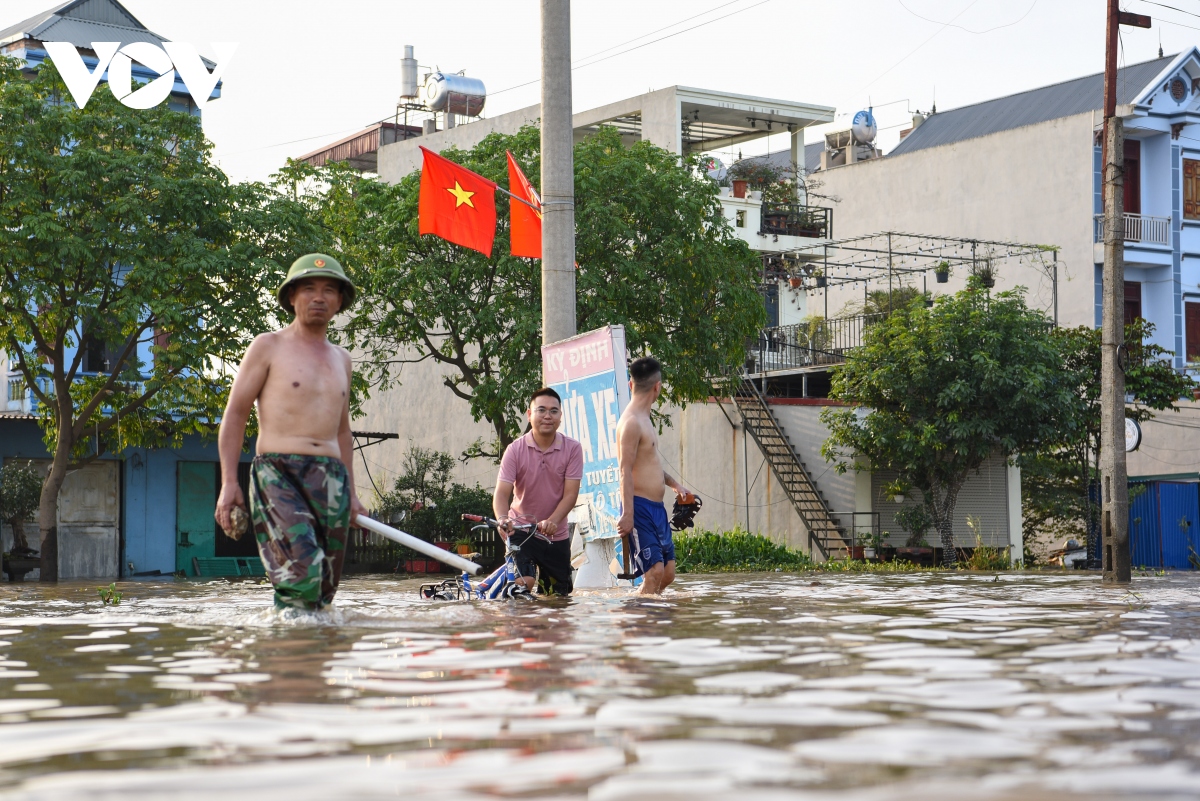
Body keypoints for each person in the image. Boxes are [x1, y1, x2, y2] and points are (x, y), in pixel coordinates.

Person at [214, 253, 368, 610]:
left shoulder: (342, 359)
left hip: (331, 478)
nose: (319, 297)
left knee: (325, 589)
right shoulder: (268, 346)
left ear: (340, 300)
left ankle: (310, 657)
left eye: (329, 290)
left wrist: (353, 493)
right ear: (291, 297)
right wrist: (229, 484)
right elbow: (235, 415)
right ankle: (289, 662)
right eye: (309, 289)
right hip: (278, 472)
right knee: (300, 576)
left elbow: (343, 431)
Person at [493, 387, 583, 596]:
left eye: (553, 411)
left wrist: (553, 520)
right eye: (541, 410)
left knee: (558, 599)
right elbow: (501, 493)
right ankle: (520, 627)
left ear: (560, 416)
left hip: (556, 535)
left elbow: (571, 494)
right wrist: (502, 518)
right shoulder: (515, 449)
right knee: (524, 583)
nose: (547, 416)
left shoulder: (573, 449)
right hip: (520, 531)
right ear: (529, 414)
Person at [616, 356, 692, 595]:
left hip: (657, 507)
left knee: (668, 573)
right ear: (658, 386)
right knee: (655, 572)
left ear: (631, 384)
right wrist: (627, 515)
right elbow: (624, 470)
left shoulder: (645, 418)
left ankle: (644, 611)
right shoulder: (630, 423)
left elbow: (650, 465)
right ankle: (639, 625)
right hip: (639, 508)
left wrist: (675, 485)